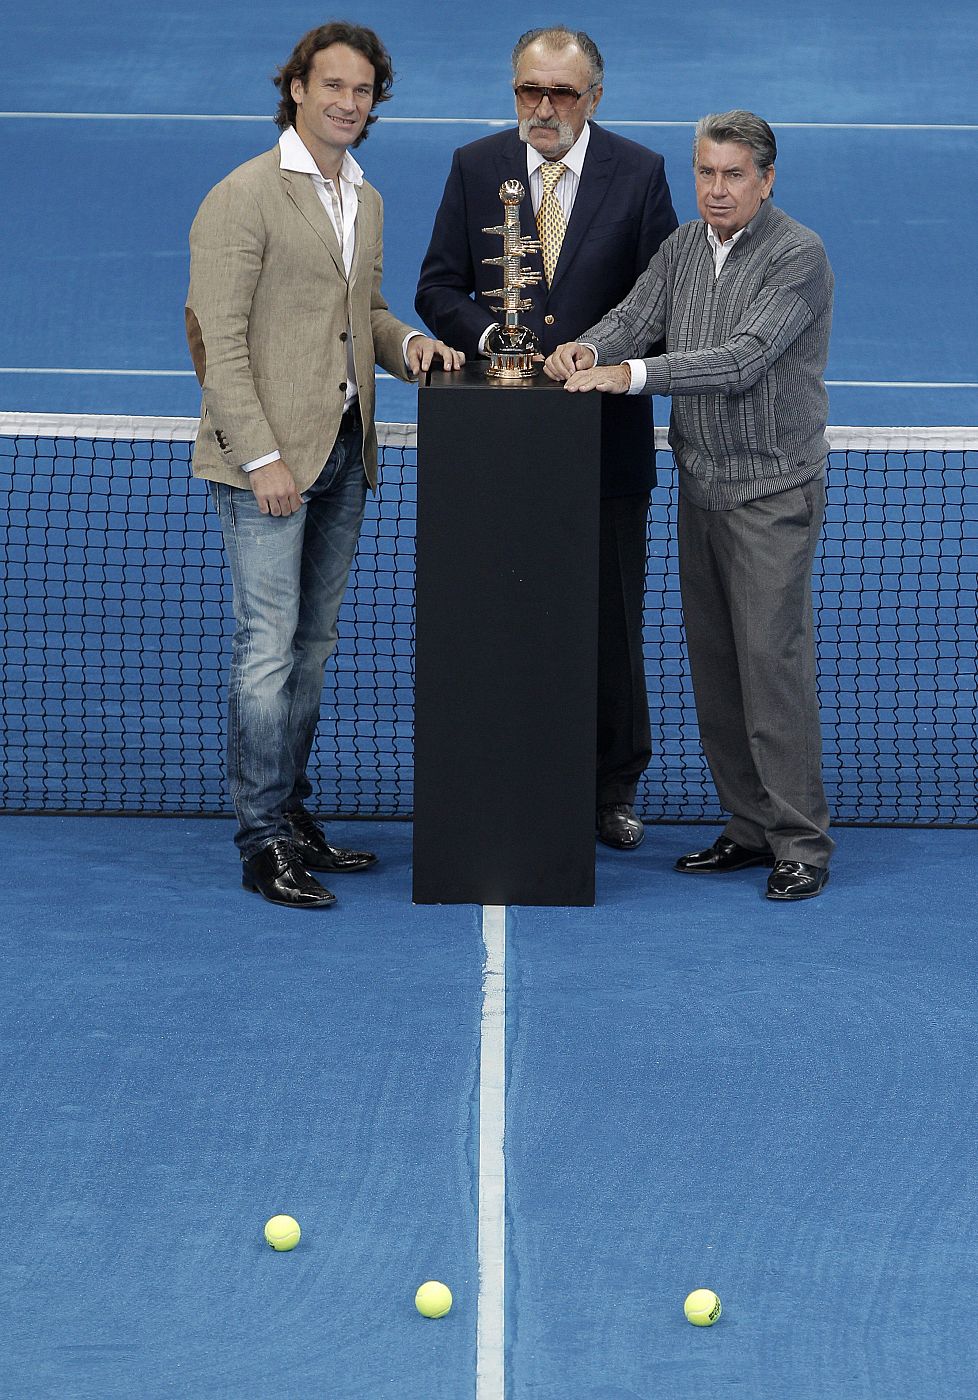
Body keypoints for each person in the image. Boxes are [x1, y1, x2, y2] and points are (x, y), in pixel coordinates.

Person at [185, 22, 463, 909]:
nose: (349, 102)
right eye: (332, 85)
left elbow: (364, 312)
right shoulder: (243, 196)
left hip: (345, 452)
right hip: (267, 465)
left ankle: (293, 815)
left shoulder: (364, 198)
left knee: (311, 647)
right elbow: (217, 340)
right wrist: (261, 456)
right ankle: (262, 838)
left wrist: (410, 343)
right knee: (266, 650)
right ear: (296, 88)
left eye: (364, 90)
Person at [544, 110, 834, 901]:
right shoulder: (680, 246)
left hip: (772, 494)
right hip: (702, 489)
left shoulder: (798, 256)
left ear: (766, 180)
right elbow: (635, 319)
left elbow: (743, 360)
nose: (716, 189)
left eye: (733, 174)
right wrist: (590, 348)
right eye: (705, 173)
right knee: (716, 668)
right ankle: (747, 827)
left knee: (771, 670)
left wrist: (631, 376)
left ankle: (800, 841)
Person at [415, 26, 677, 851]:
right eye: (530, 90)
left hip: (606, 449)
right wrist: (494, 340)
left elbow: (663, 304)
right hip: (495, 451)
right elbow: (436, 285)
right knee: (500, 614)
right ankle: (506, 766)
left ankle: (611, 787)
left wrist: (594, 354)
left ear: (595, 97)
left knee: (610, 627)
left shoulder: (640, 175)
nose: (544, 107)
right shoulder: (473, 166)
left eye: (562, 93)